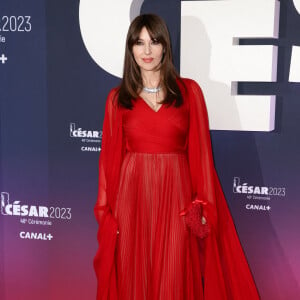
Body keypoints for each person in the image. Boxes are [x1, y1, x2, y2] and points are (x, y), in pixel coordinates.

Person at [94, 14, 260, 300]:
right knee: (134, 278)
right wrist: (108, 215)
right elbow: (109, 164)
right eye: (139, 42)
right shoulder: (116, 98)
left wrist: (203, 206)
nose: (147, 51)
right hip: (132, 201)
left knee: (174, 278)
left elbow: (202, 156)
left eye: (154, 42)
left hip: (176, 200)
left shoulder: (189, 92)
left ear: (165, 47)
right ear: (130, 49)